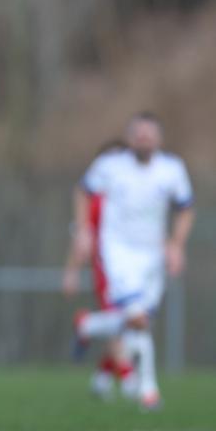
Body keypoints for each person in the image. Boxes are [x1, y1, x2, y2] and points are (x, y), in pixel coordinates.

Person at [64, 113, 194, 410]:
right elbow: (83, 192)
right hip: (118, 253)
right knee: (137, 319)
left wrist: (176, 245)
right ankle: (148, 390)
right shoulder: (111, 166)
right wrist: (83, 230)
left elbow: (185, 208)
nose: (144, 139)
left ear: (159, 139)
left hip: (153, 256)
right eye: (139, 134)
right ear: (130, 137)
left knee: (140, 322)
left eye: (150, 134)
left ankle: (88, 325)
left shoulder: (171, 170)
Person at [63, 139, 138, 399]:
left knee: (134, 321)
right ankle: (128, 377)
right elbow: (83, 238)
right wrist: (72, 270)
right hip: (109, 269)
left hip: (134, 268)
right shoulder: (98, 201)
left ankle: (102, 374)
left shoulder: (131, 196)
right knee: (123, 319)